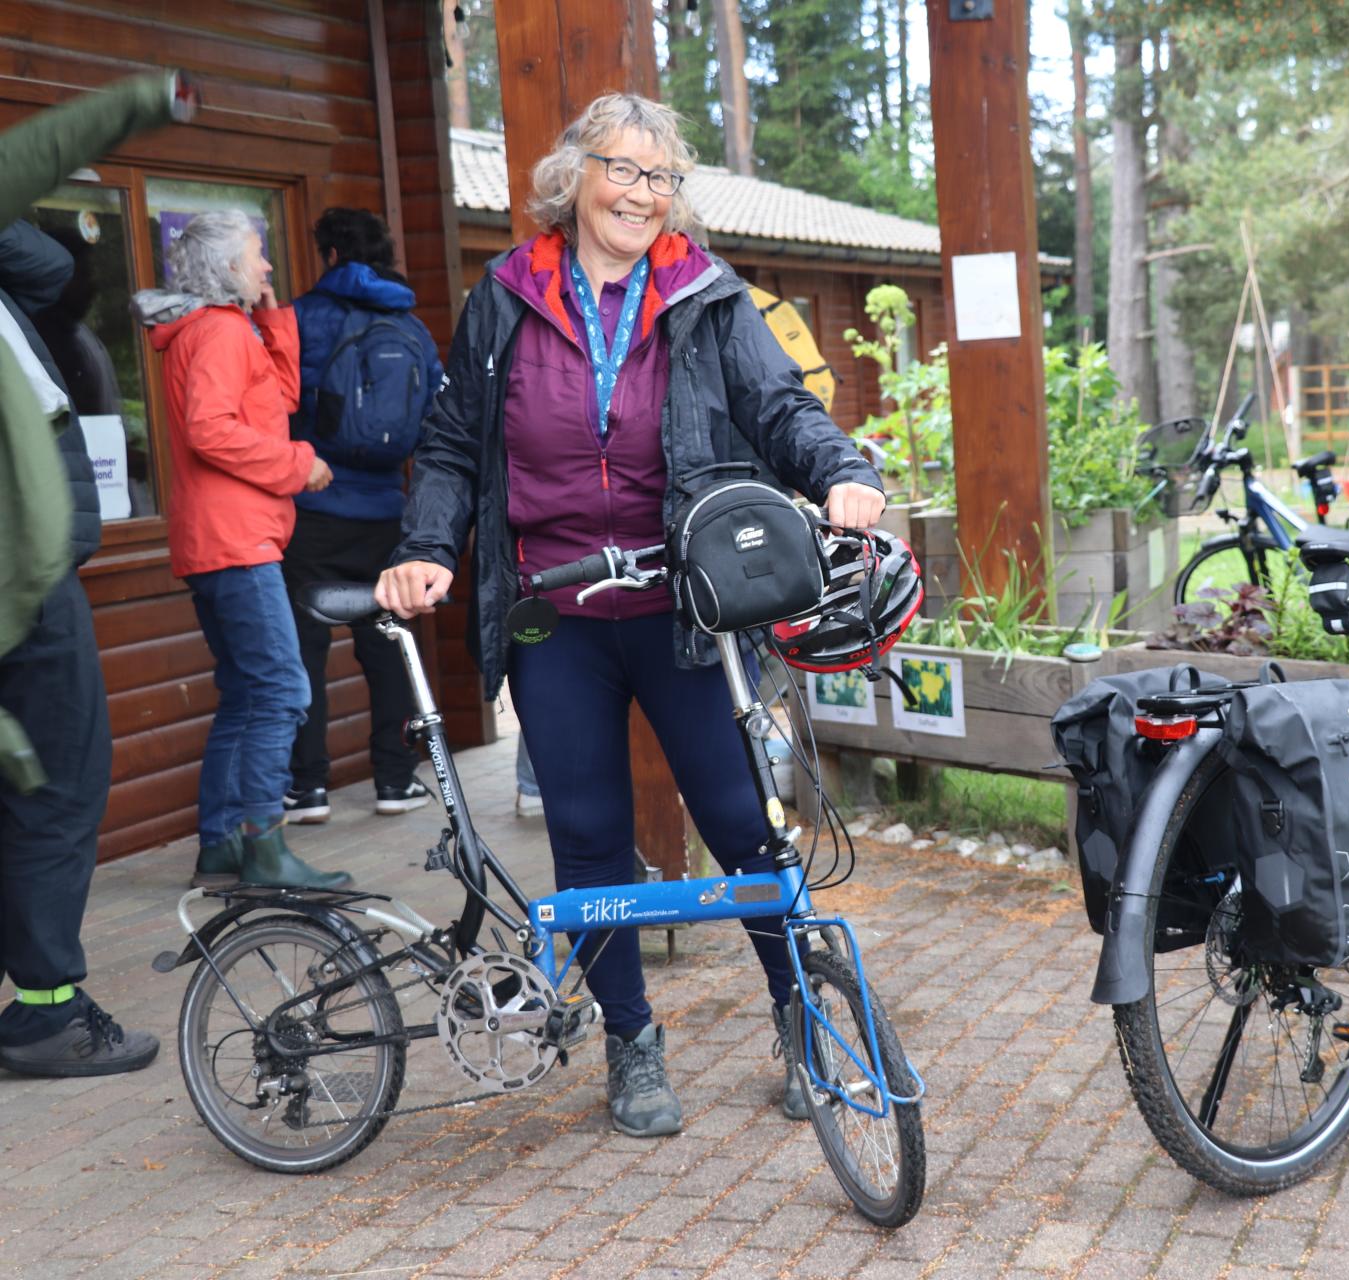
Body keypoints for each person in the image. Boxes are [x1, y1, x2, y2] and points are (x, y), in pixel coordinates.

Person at [374, 93, 885, 1139]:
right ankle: (631, 1038)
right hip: (554, 612)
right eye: (626, 171)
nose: (645, 195)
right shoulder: (507, 298)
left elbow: (777, 404)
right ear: (575, 178)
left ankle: (804, 1016)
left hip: (685, 602)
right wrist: (425, 548)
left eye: (663, 178)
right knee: (590, 833)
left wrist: (839, 469)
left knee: (745, 824)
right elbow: (456, 441)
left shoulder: (704, 292)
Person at [0, 72, 194, 1078]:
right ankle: (43, 1013)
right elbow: (50, 258)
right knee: (59, 783)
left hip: (30, 572)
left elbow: (50, 269)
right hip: (21, 587)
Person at [135, 212, 352, 890]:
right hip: (236, 539)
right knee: (283, 691)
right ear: (227, 266)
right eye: (258, 258)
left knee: (245, 693)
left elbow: (277, 395)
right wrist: (298, 466)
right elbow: (212, 430)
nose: (266, 268)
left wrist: (274, 313)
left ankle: (221, 844)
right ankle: (264, 846)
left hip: (215, 538)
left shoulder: (218, 331)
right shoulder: (221, 334)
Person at [281, 208, 441, 824]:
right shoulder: (410, 326)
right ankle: (395, 781)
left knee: (304, 651)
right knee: (389, 645)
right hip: (385, 511)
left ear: (327, 254)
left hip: (312, 506)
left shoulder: (299, 319)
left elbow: (275, 401)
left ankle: (308, 789)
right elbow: (435, 413)